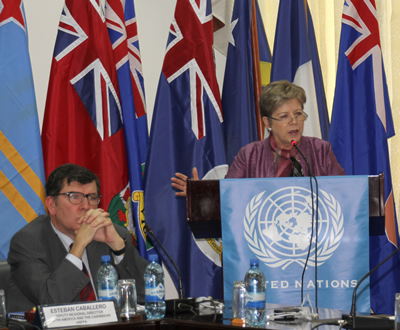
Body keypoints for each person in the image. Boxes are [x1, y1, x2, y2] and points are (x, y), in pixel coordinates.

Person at [7, 164, 148, 312]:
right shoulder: (27, 241)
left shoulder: (111, 234)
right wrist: (78, 246)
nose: (86, 206)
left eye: (92, 197)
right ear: (51, 205)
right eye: (75, 197)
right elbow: (50, 301)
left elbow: (148, 294)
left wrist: (119, 248)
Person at [171, 80, 344, 194]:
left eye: (298, 114)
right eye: (284, 116)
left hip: (315, 242)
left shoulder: (321, 150)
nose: (294, 122)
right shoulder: (249, 156)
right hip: (264, 241)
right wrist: (200, 194)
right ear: (267, 123)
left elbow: (345, 192)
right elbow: (228, 196)